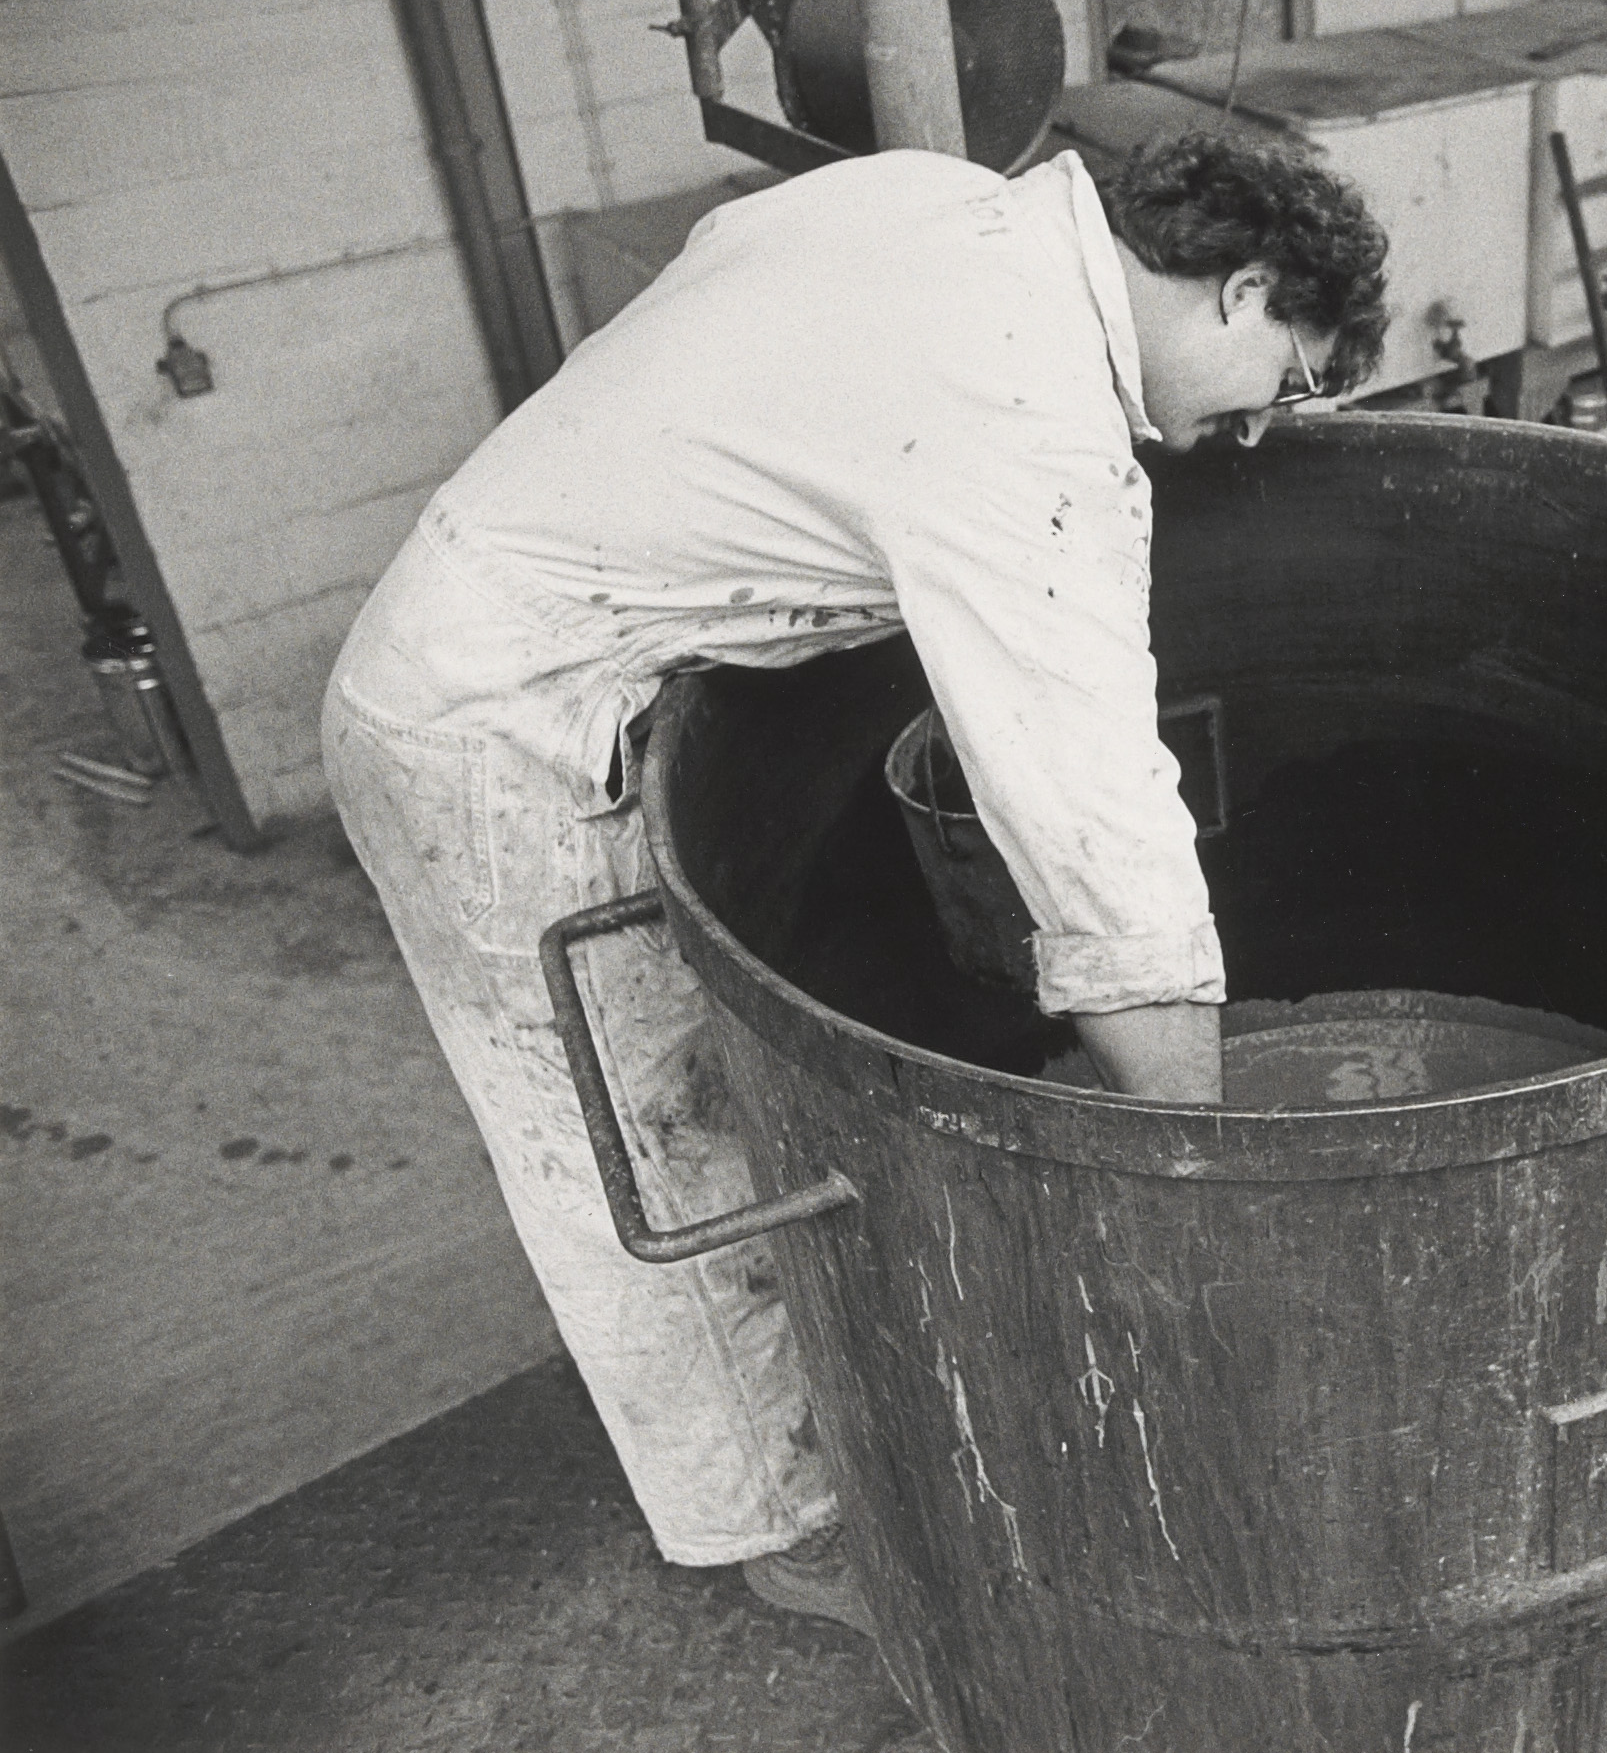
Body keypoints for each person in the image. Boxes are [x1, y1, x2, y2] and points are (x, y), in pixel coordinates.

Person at [320, 131, 1388, 1630]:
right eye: (1289, 381)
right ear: (1245, 289)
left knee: (688, 1109)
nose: (1261, 432)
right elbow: (1098, 828)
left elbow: (726, 299)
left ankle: (800, 1471)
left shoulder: (935, 199)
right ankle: (786, 1530)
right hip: (496, 730)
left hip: (532, 629)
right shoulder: (1027, 415)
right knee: (641, 1135)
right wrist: (1198, 1170)